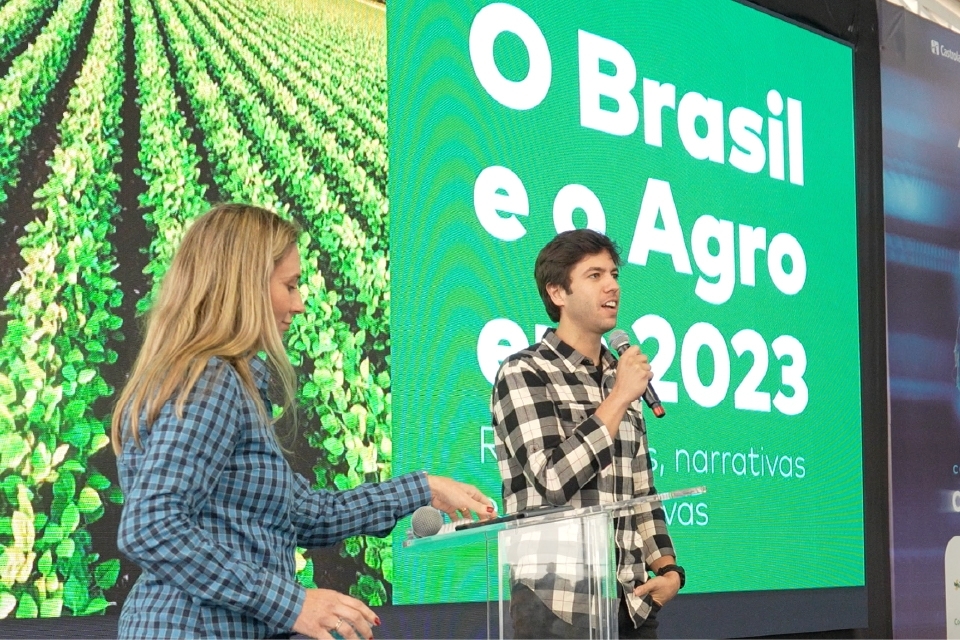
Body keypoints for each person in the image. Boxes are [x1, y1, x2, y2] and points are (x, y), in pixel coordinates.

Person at [112, 203, 493, 639]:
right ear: (245, 286)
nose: (299, 303)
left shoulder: (218, 379)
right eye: (289, 286)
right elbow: (151, 526)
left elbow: (308, 513)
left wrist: (423, 488)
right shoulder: (212, 380)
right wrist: (292, 604)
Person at [491, 229, 684, 639]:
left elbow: (642, 491)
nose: (612, 285)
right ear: (558, 292)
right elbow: (553, 479)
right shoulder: (524, 373)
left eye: (613, 274)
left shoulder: (620, 377)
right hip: (555, 606)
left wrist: (668, 569)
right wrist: (617, 399)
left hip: (632, 604)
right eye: (595, 275)